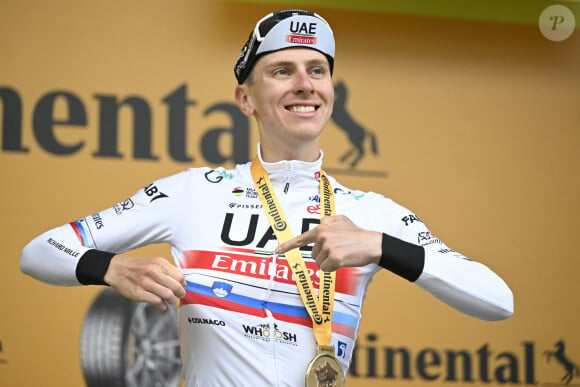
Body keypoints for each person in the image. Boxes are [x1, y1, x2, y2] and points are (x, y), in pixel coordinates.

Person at [20, 9, 513, 387]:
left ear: (331, 92)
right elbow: (38, 251)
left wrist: (383, 246)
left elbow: (498, 300)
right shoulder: (191, 191)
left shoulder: (369, 215)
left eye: (317, 70)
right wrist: (110, 268)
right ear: (245, 99)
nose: (305, 84)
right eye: (282, 71)